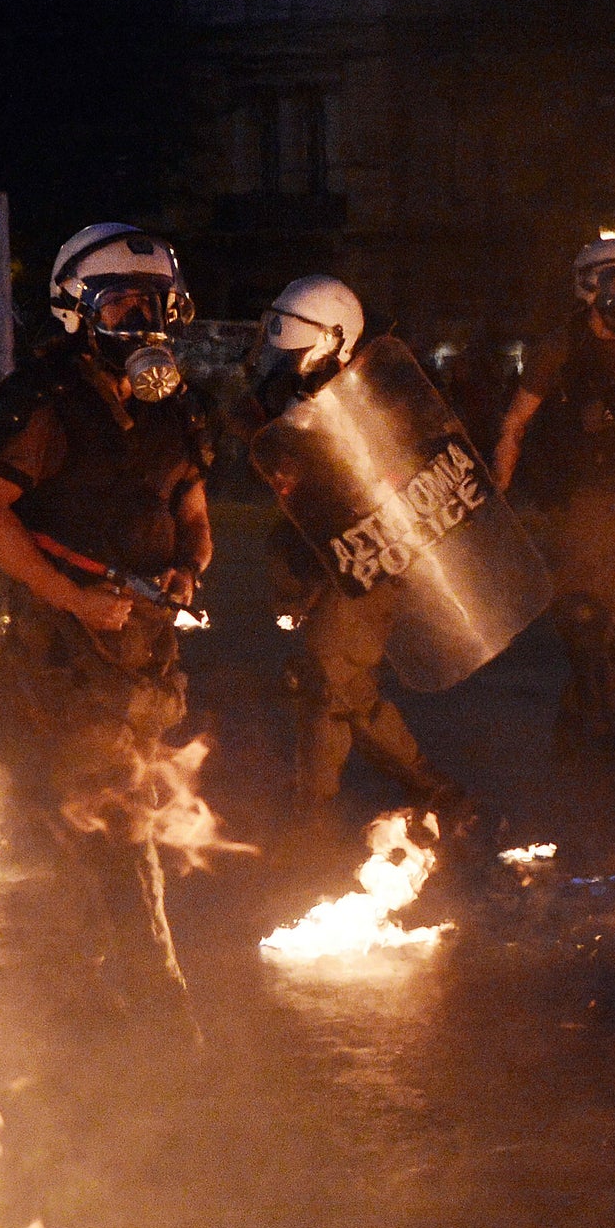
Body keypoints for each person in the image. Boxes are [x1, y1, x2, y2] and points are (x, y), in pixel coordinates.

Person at [0, 222, 211, 1040]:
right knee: (110, 812)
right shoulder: (46, 401)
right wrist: (69, 598)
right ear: (78, 310)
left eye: (157, 305)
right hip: (60, 651)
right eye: (125, 305)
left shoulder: (177, 406)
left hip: (141, 649)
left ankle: (76, 989)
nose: (146, 325)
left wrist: (187, 571)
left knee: (94, 815)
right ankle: (152, 998)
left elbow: (191, 509)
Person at [232, 276, 467, 837]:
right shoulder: (284, 398)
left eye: (292, 336)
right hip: (315, 558)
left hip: (369, 557)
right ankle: (433, 788)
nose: (279, 347)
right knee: (343, 689)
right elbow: (274, 465)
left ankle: (312, 816)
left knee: (328, 685)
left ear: (334, 338)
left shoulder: (375, 395)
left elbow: (415, 465)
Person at [493, 232, 615, 748]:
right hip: (574, 498)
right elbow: (514, 424)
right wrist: (499, 491)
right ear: (588, 287)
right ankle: (600, 729)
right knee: (582, 615)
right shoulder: (559, 345)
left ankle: (574, 721)